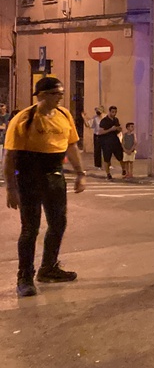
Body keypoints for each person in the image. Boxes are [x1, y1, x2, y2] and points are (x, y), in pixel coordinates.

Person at [4, 77, 87, 298]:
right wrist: (11, 188)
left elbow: (71, 146)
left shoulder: (64, 115)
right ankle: (24, 277)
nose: (59, 97)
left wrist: (80, 173)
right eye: (54, 93)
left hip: (55, 174)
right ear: (41, 95)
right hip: (29, 177)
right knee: (30, 228)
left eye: (61, 93)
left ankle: (48, 268)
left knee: (58, 223)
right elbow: (10, 156)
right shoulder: (24, 119)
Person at [98, 106, 124, 180]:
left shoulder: (116, 120)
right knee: (107, 159)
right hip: (106, 142)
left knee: (120, 156)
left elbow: (118, 130)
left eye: (115, 112)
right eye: (112, 112)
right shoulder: (104, 121)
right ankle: (108, 174)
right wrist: (111, 129)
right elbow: (100, 132)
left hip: (115, 140)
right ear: (109, 112)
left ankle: (124, 170)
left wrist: (118, 129)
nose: (114, 113)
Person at [0, 102, 9, 168]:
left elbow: (6, 126)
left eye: (3, 107)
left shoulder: (8, 116)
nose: (2, 109)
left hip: (6, 137)